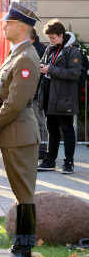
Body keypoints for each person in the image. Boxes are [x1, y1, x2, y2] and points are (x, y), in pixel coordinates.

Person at [0, 2, 41, 257]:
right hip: (14, 132)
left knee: (24, 194)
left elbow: (14, 104)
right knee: (21, 193)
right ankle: (21, 247)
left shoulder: (26, 58)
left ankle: (24, 249)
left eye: (8, 23)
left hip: (19, 132)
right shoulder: (16, 54)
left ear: (22, 28)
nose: (3, 25)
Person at [37, 19, 81, 174]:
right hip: (50, 95)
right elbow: (44, 64)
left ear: (61, 35)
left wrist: (51, 70)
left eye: (53, 37)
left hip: (64, 98)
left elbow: (74, 73)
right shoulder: (51, 48)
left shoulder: (72, 50)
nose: (51, 40)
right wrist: (42, 67)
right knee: (52, 129)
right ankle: (50, 160)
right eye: (49, 37)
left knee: (67, 129)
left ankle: (69, 162)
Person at [30, 28, 47, 160]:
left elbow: (41, 70)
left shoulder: (42, 49)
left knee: (39, 120)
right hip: (24, 90)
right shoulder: (20, 48)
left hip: (37, 90)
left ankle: (42, 147)